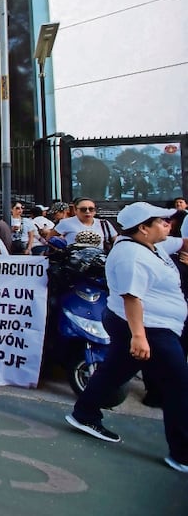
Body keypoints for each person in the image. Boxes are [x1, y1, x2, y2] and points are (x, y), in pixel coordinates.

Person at [64, 202, 188, 474]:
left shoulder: (152, 246)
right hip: (148, 327)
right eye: (162, 221)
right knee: (179, 385)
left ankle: (84, 413)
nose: (168, 225)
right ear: (143, 228)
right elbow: (132, 298)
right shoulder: (131, 256)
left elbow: (182, 243)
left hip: (147, 325)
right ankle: (182, 453)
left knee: (114, 371)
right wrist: (139, 337)